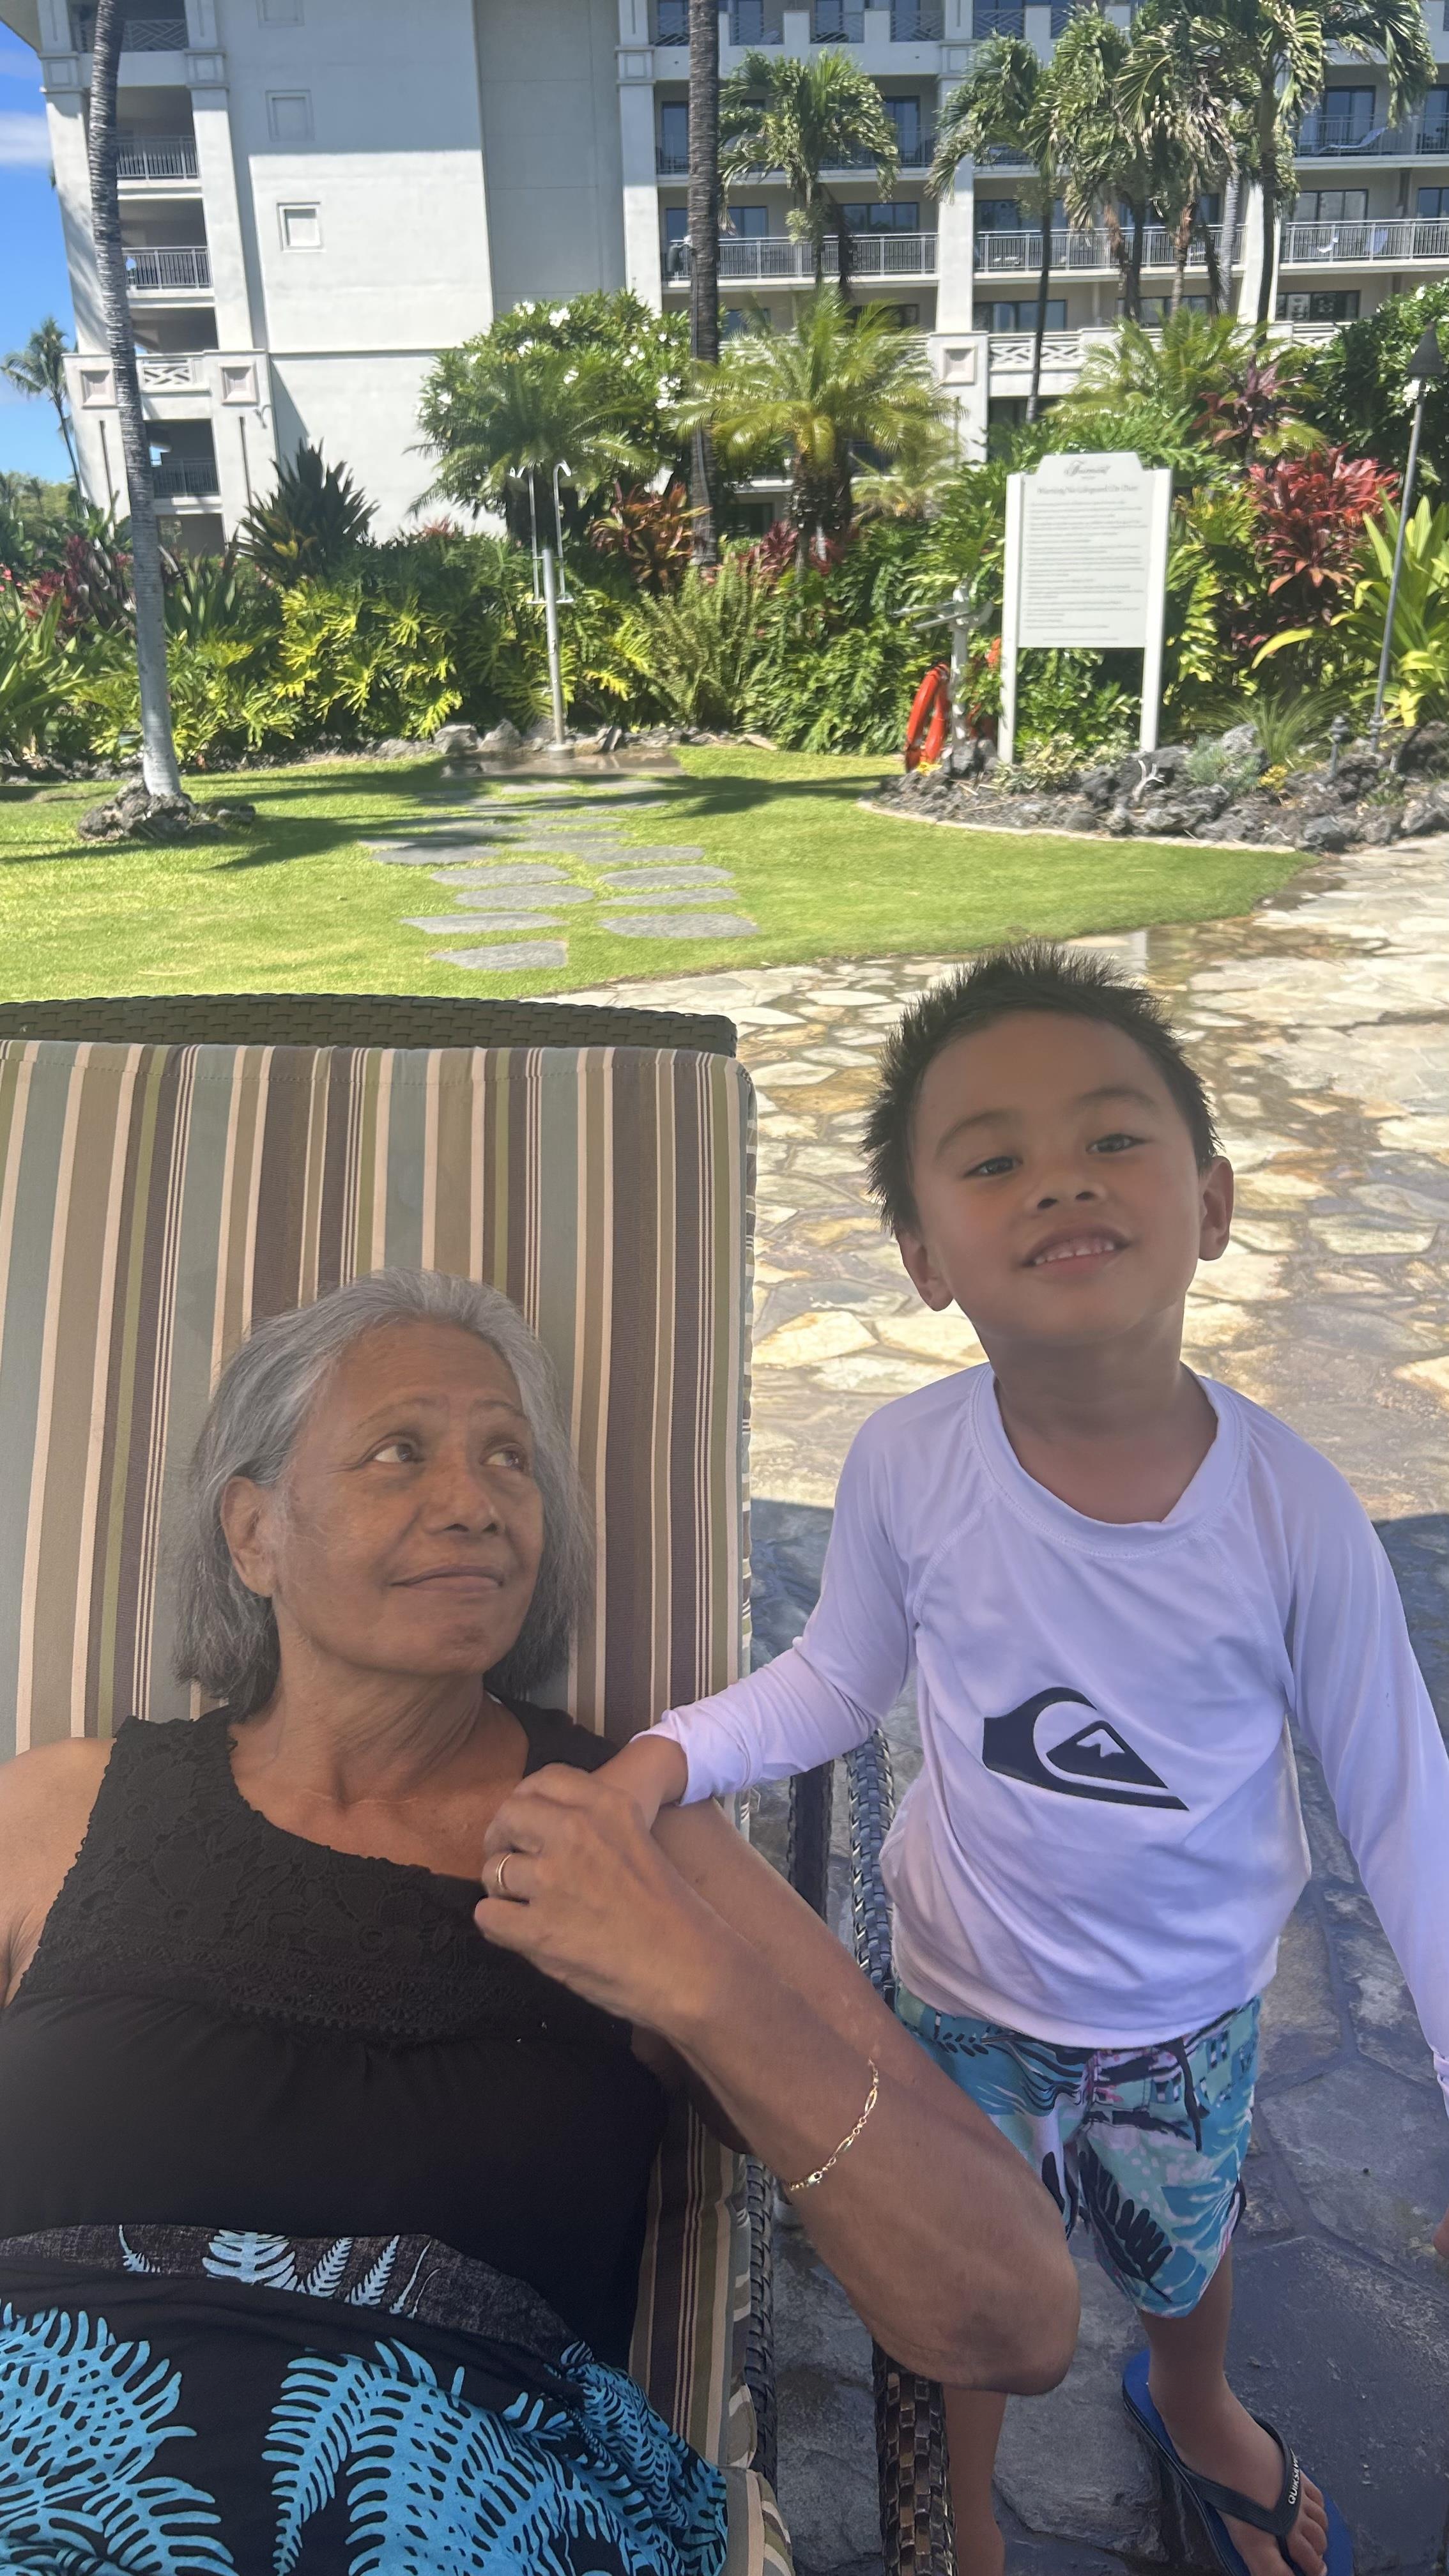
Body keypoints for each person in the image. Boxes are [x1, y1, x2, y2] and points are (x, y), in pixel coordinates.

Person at [0, 1266, 1076, 2576]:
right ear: (254, 1534)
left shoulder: (633, 1843)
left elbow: (1014, 2314)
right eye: (399, 1452)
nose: (475, 1502)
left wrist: (698, 1982)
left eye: (508, 1457)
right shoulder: (56, 1814)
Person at [595, 944, 1449, 2576]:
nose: (1062, 1177)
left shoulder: (1292, 1512)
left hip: (1188, 2011)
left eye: (1114, 1137)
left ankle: (1194, 2403)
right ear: (926, 1259)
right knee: (968, 2282)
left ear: (1212, 1200)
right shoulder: (910, 1464)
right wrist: (668, 1755)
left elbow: (1406, 1803)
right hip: (965, 1993)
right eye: (993, 1161)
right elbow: (836, 1679)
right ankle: (968, 2522)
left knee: (1185, 2245)